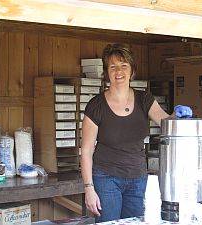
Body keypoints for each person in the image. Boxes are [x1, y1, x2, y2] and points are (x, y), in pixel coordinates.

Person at [80, 43, 192, 223]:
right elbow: (86, 151)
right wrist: (89, 188)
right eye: (113, 66)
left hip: (138, 179)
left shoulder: (144, 99)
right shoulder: (96, 105)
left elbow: (166, 122)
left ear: (132, 71)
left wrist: (177, 116)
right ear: (106, 72)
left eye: (124, 66)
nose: (119, 71)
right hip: (106, 178)